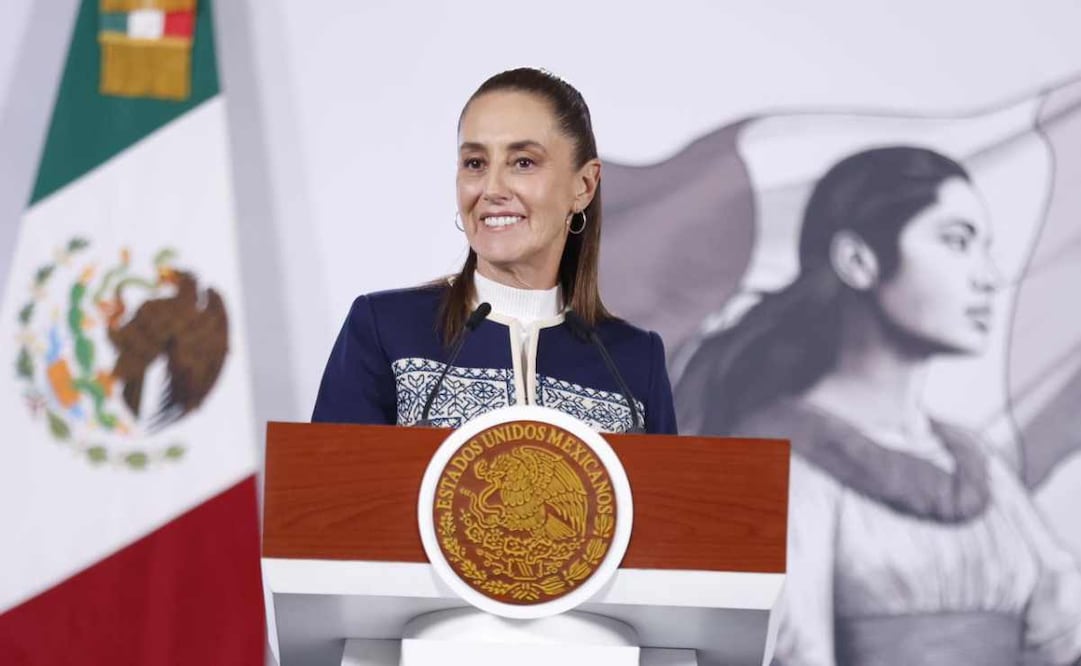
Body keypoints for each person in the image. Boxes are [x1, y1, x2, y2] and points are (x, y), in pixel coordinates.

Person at [676, 147, 1081, 665]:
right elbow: (794, 653)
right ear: (858, 261)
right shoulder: (778, 464)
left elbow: (1058, 626)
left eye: (985, 247)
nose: (988, 276)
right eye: (957, 242)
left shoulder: (976, 464)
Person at [312, 68, 677, 434]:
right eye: (475, 164)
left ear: (583, 185)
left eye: (523, 163)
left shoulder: (633, 361)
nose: (492, 188)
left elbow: (668, 493)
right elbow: (324, 488)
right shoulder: (385, 329)